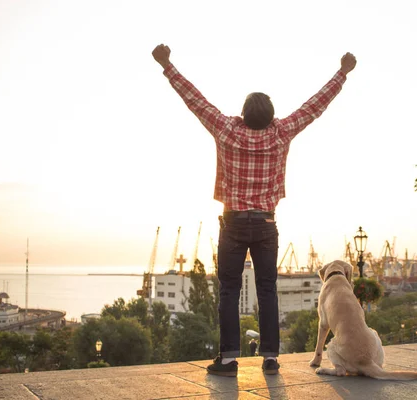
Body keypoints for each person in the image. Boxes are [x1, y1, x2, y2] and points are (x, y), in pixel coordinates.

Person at [152, 44, 356, 377]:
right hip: (266, 225)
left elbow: (195, 100)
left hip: (232, 225)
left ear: (243, 114)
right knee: (267, 289)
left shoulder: (226, 130)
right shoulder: (281, 133)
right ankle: (271, 357)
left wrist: (167, 64)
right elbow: (314, 106)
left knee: (229, 290)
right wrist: (342, 73)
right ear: (271, 117)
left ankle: (229, 359)